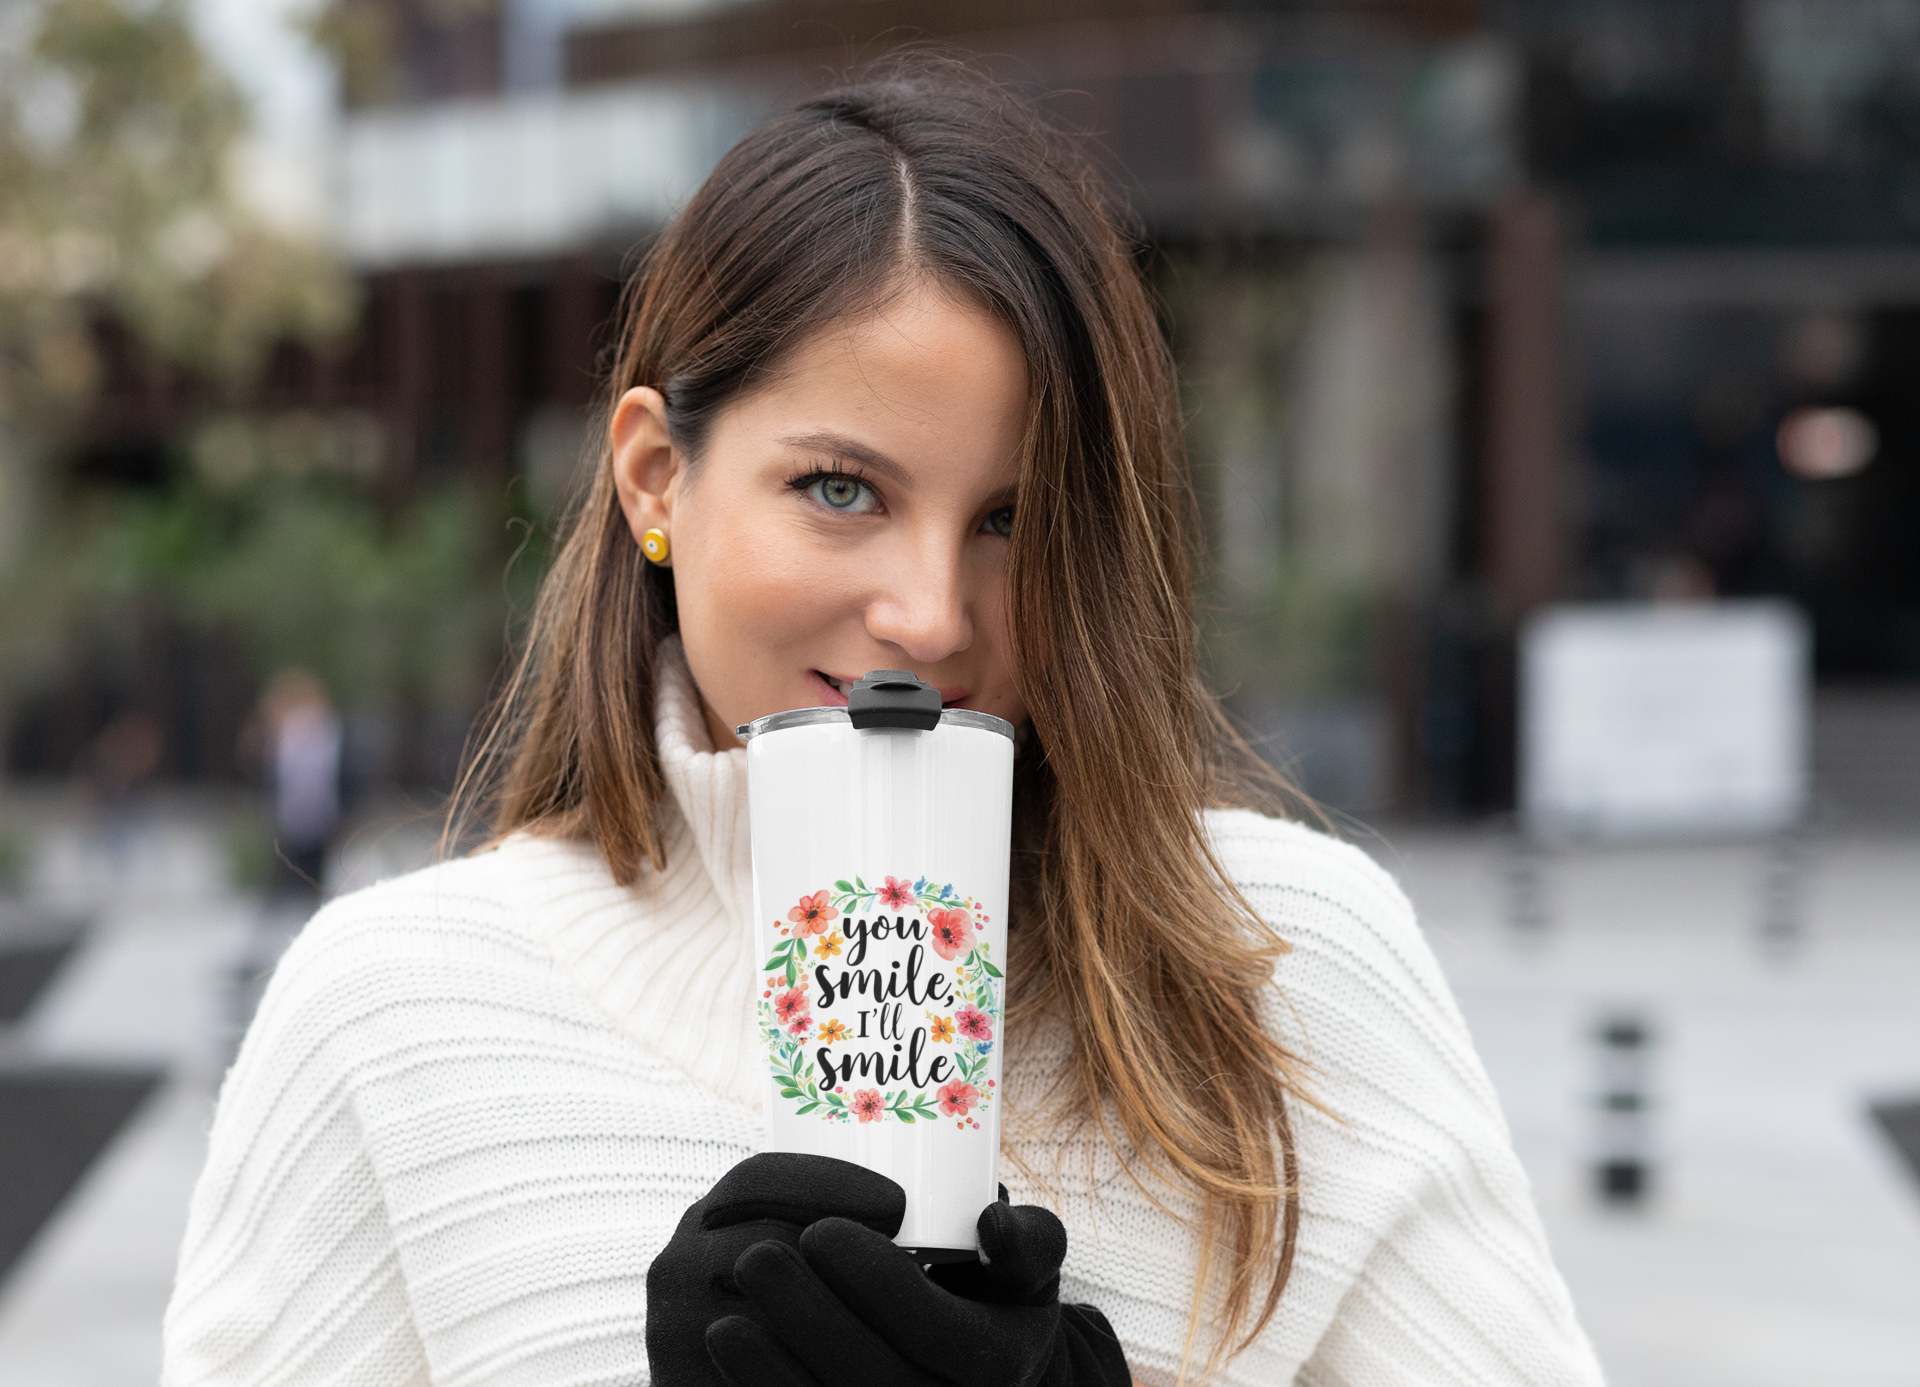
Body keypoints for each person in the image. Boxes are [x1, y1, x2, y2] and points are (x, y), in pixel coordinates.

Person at [161, 60, 1604, 1387]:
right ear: (657, 477)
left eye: (1013, 519)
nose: (928, 614)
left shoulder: (1289, 964)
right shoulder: (394, 1010)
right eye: (841, 489)